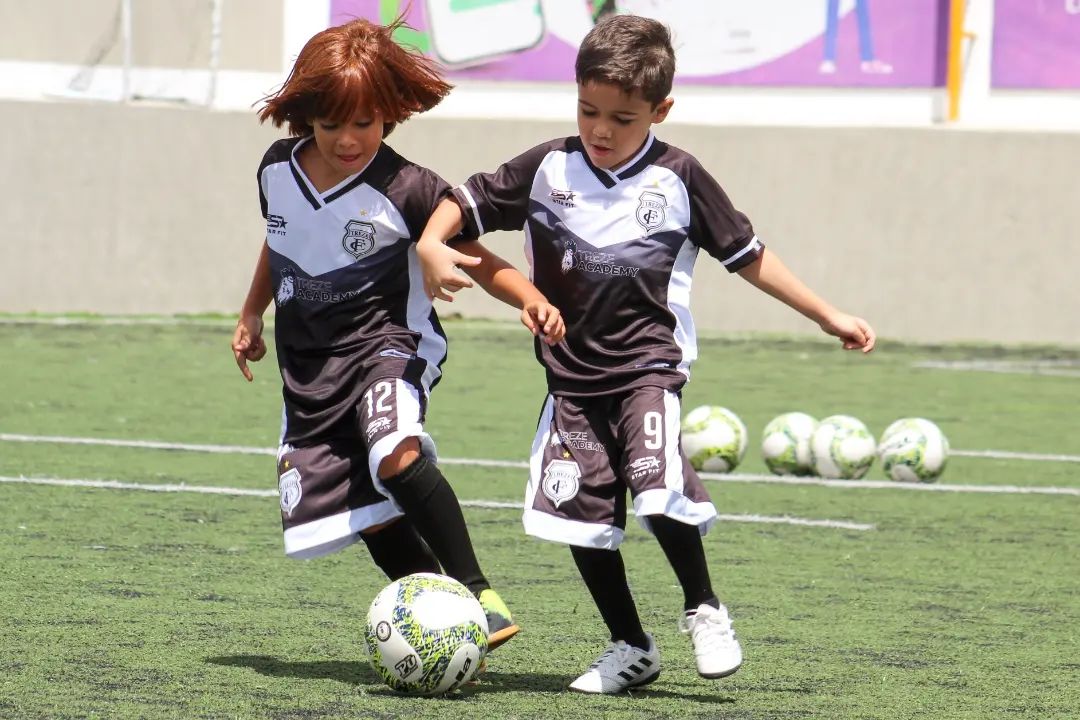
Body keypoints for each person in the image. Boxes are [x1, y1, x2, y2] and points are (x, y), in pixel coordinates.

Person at [416, 14, 875, 694]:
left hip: (648, 371)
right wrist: (431, 244)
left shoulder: (679, 178)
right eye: (588, 110)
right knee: (575, 512)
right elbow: (463, 200)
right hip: (571, 380)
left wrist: (828, 313)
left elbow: (748, 257)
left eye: (622, 118)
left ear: (660, 110)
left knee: (656, 482)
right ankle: (630, 645)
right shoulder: (549, 169)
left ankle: (704, 606)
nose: (600, 130)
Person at [230, 17, 565, 652]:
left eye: (364, 122)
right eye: (331, 125)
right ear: (305, 116)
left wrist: (529, 297)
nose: (348, 139)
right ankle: (446, 626)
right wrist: (252, 313)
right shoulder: (276, 169)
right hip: (308, 364)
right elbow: (280, 243)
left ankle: (479, 595)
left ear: (389, 111)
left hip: (390, 344)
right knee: (364, 511)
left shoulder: (409, 188)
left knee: (393, 452)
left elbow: (476, 257)